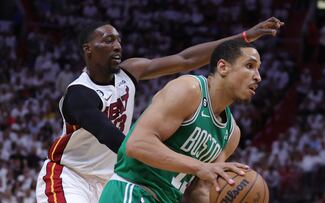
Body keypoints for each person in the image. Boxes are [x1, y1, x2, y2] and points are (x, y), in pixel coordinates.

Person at [36, 18, 283, 203]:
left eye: (119, 40)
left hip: (107, 177)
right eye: (108, 40)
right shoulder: (79, 94)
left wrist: (242, 39)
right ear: (88, 49)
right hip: (71, 175)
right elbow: (115, 138)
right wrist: (156, 156)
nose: (117, 46)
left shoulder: (130, 71)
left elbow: (185, 60)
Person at [99, 39, 264, 203]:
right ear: (223, 67)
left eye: (258, 70)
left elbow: (201, 190)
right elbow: (137, 144)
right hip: (132, 191)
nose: (258, 77)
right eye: (250, 66)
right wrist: (200, 167)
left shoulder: (232, 134)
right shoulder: (189, 89)